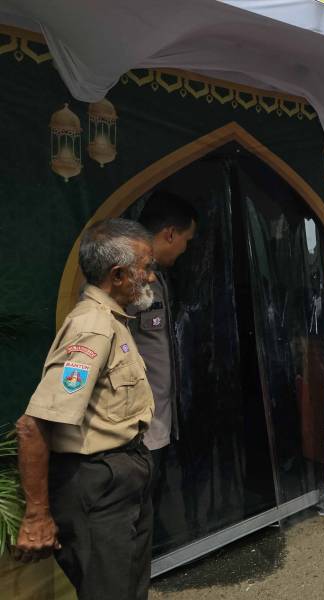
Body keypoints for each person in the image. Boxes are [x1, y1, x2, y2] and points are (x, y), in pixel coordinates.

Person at [13, 218, 157, 599]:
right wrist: (37, 515)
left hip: (123, 475)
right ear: (118, 275)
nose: (151, 277)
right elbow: (32, 426)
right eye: (146, 268)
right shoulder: (92, 328)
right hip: (98, 485)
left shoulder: (113, 321)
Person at [130, 191, 197, 475]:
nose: (186, 249)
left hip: (159, 422)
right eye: (187, 240)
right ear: (170, 234)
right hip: (134, 430)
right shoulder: (125, 280)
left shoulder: (158, 278)